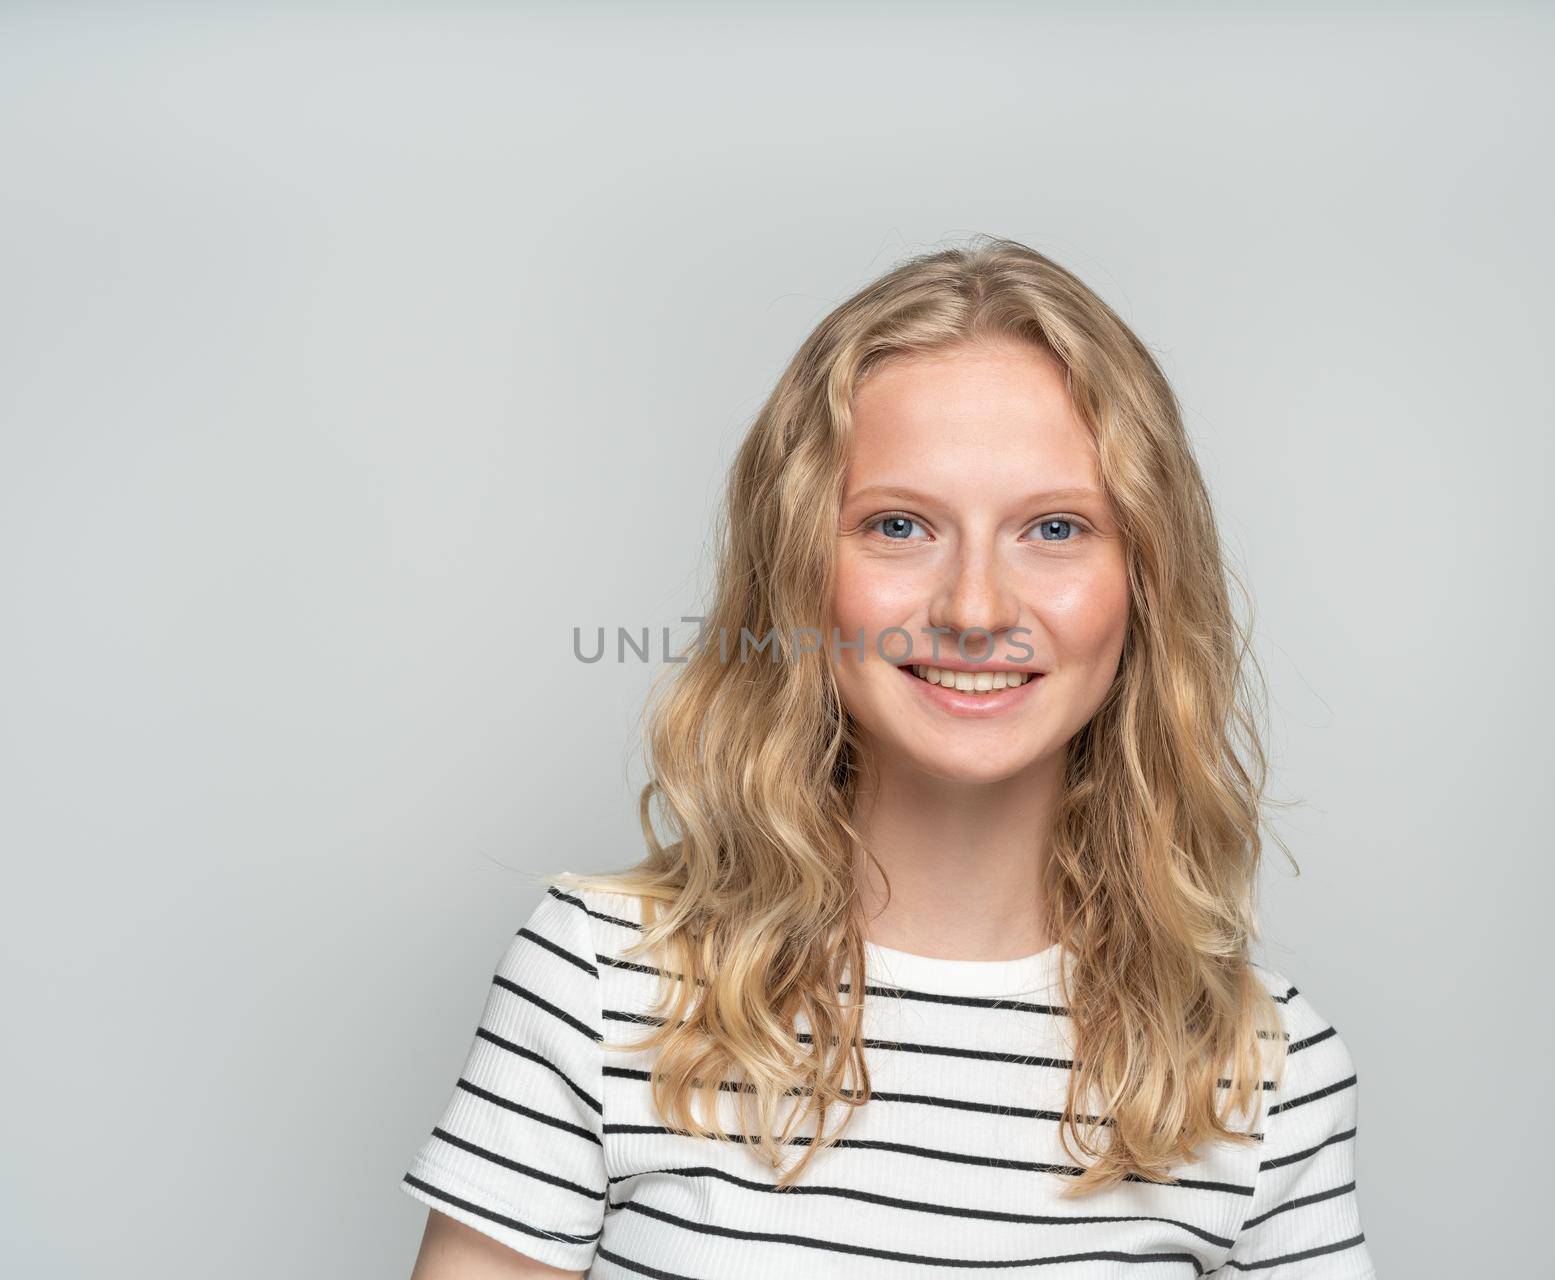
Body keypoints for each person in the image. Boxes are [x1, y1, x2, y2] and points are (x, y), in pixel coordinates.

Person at [400, 237, 1377, 1278]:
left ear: (1143, 580)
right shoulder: (598, 980)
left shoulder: (1265, 1070)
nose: (972, 609)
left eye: (1053, 527)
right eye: (899, 524)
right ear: (799, 574)